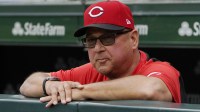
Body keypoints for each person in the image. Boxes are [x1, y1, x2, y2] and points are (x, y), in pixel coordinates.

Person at [19, 0, 183, 108]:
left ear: (133, 39)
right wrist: (50, 85)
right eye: (91, 41)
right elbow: (27, 85)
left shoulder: (158, 69)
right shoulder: (90, 71)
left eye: (107, 38)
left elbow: (152, 88)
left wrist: (80, 92)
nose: (97, 48)